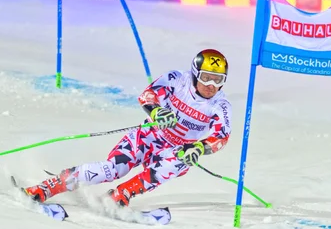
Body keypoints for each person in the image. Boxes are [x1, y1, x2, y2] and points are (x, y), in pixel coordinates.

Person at [23, 48, 232, 207]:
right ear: (195, 74)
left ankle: (120, 195)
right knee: (114, 169)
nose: (211, 85)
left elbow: (220, 138)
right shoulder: (177, 80)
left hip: (175, 149)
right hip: (148, 136)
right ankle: (50, 186)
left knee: (177, 163)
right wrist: (156, 111)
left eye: (218, 80)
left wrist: (199, 148)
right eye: (206, 77)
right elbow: (148, 95)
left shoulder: (220, 106)